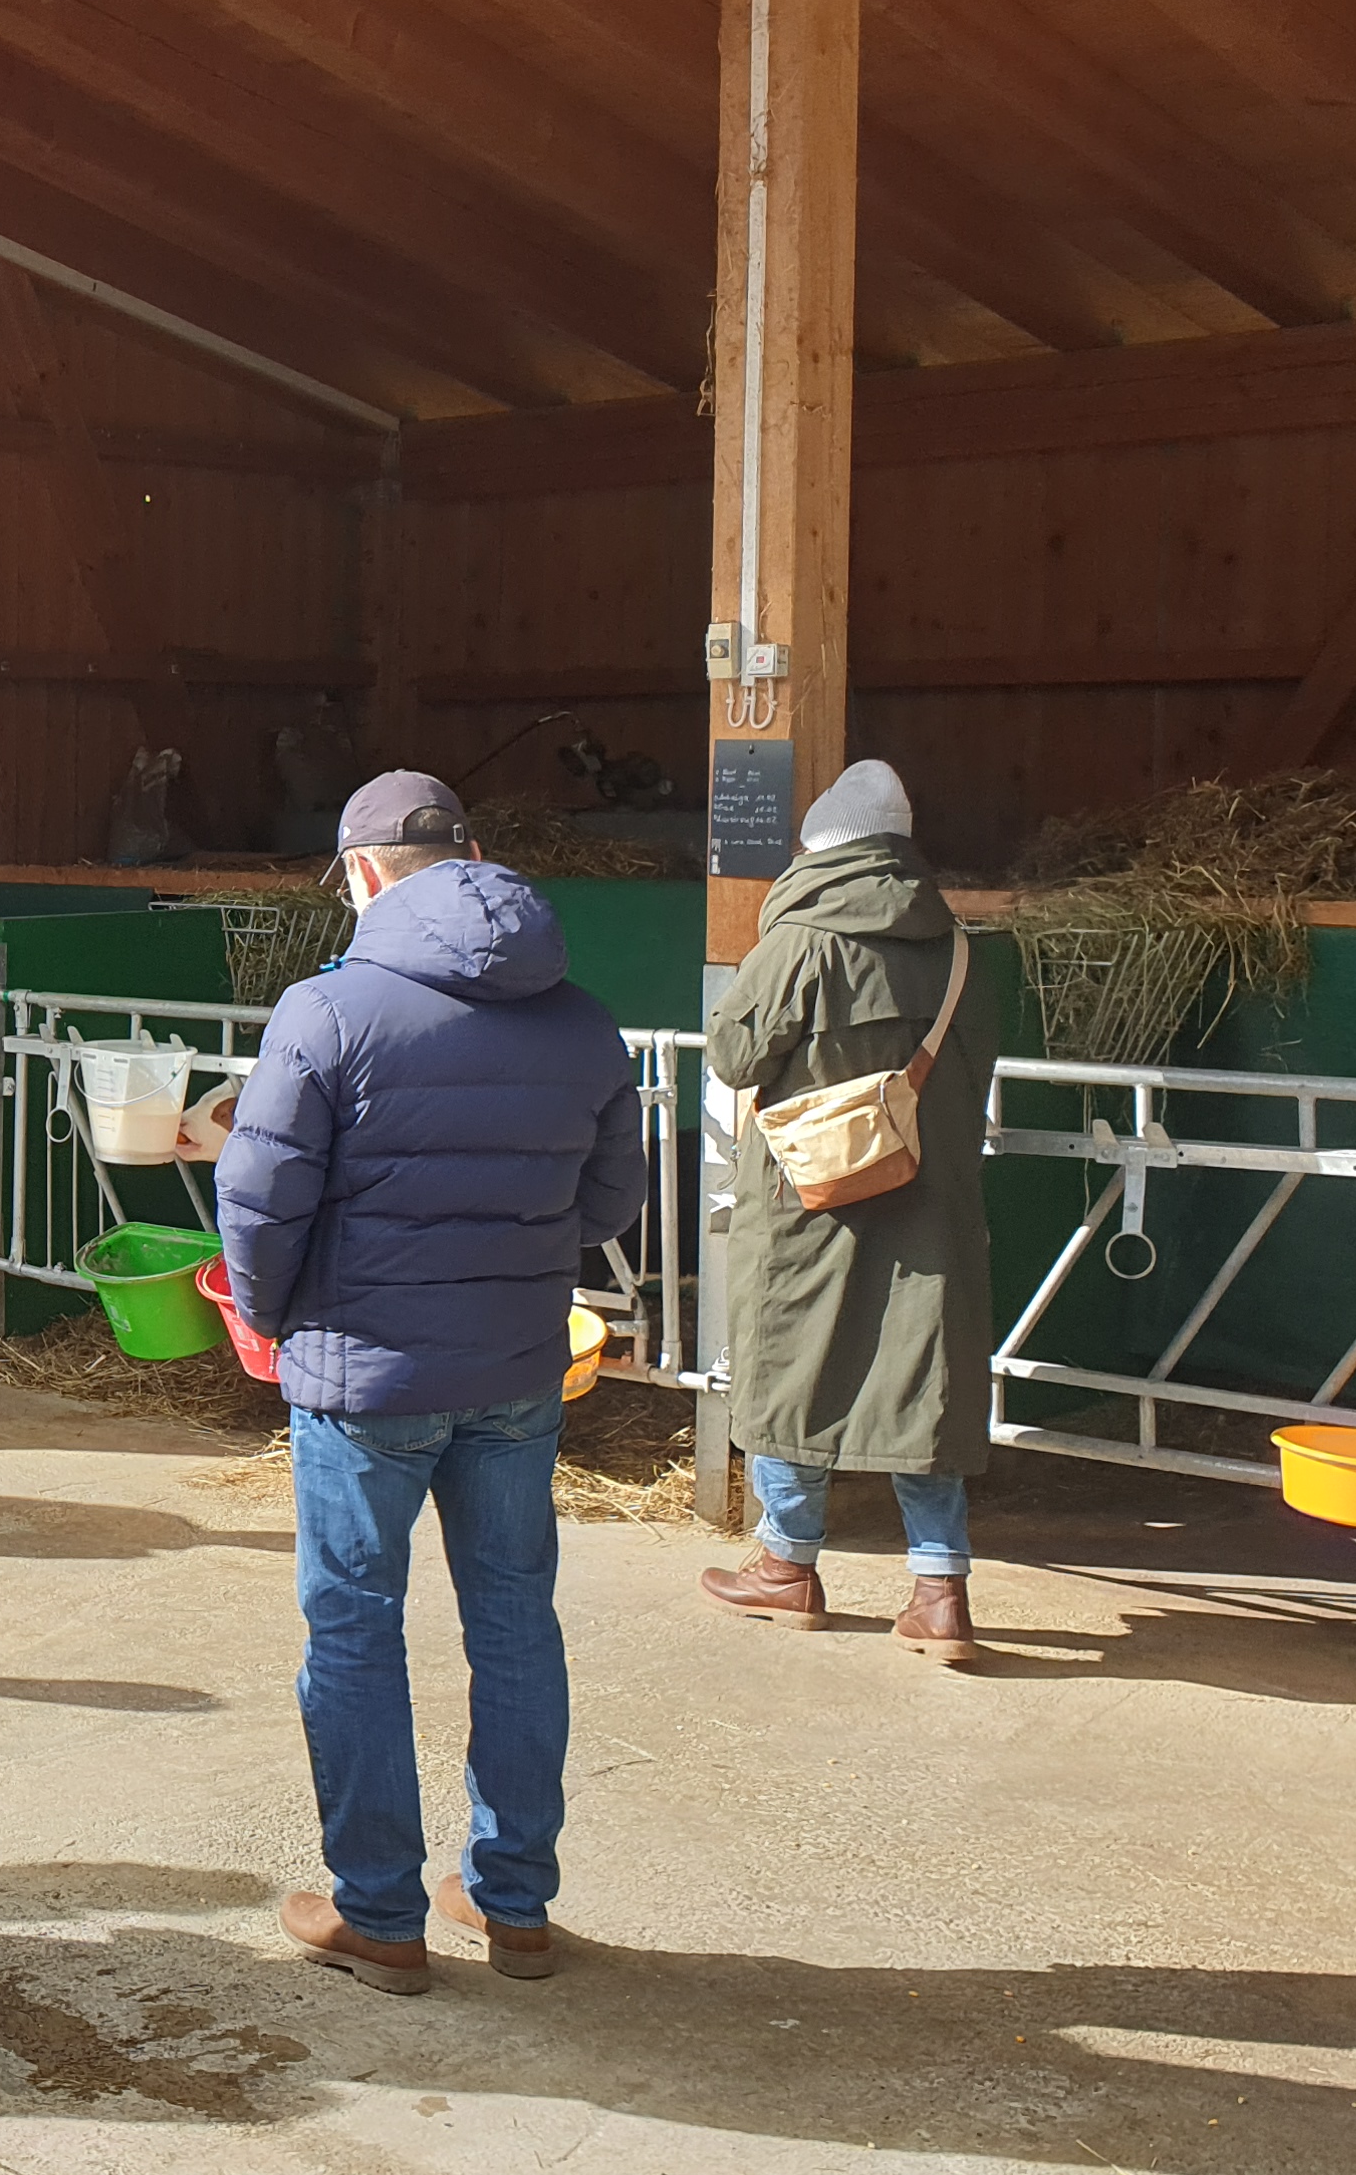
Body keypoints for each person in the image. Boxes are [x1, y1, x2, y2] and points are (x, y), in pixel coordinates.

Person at [216, 772, 645, 1995]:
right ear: (474, 851)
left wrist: (272, 1315)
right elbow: (612, 1202)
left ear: (360, 875)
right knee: (514, 1621)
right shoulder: (583, 1019)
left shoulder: (327, 1012)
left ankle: (382, 1914)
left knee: (354, 1631)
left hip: (363, 1377)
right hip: (515, 1367)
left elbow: (258, 1199)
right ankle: (513, 1904)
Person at [700, 759, 997, 1665]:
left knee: (795, 1359)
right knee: (925, 1374)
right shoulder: (957, 947)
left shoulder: (803, 942)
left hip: (809, 1192)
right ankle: (940, 1593)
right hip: (932, 1194)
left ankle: (787, 1566)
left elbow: (734, 1055)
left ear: (821, 849)